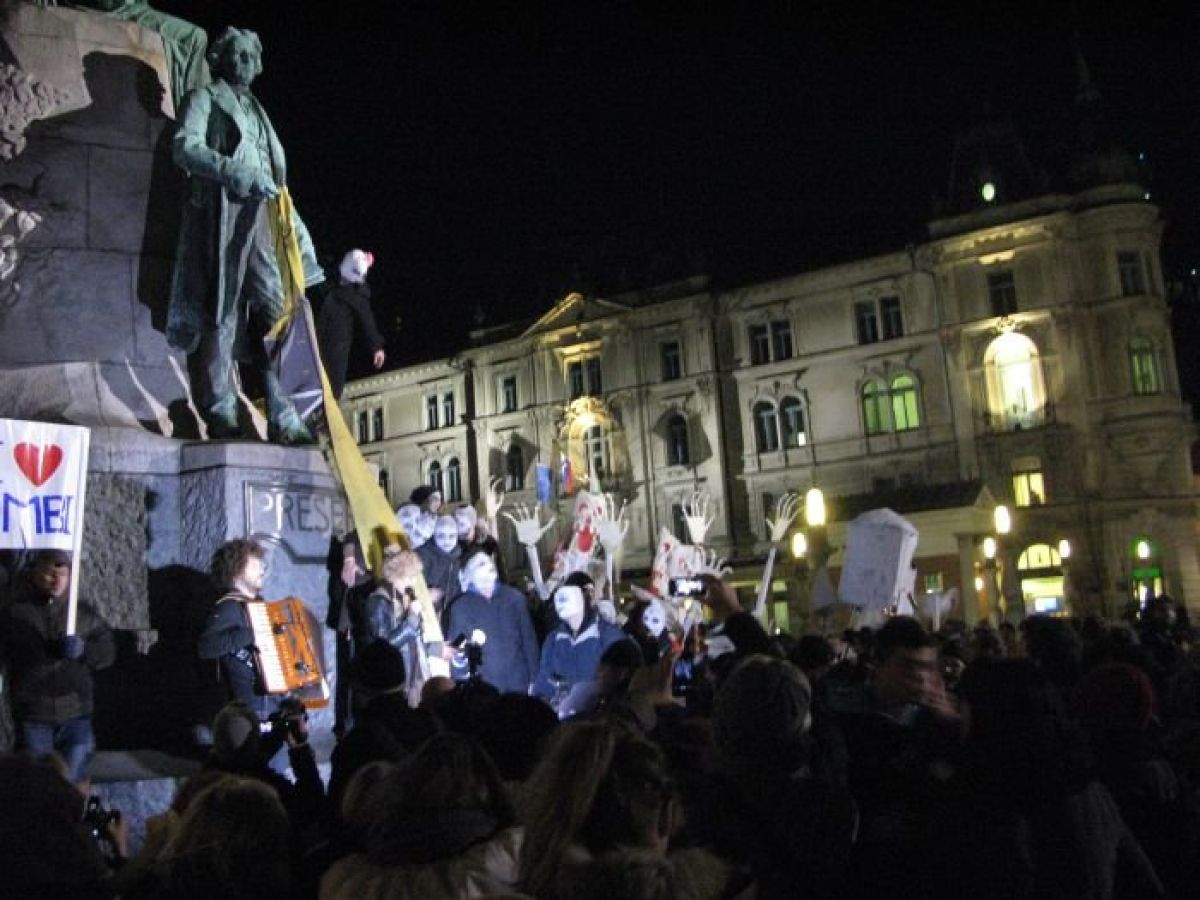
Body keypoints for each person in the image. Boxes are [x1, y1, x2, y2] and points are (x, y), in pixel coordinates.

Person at [166, 26, 324, 443]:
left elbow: (277, 175)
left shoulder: (259, 111)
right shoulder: (204, 98)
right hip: (223, 213)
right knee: (224, 310)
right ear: (220, 59)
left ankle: (285, 415)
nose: (245, 63)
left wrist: (298, 233)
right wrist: (233, 171)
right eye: (237, 55)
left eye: (251, 56)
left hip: (265, 218)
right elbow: (184, 146)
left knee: (280, 312)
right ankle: (220, 408)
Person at [0, 549, 115, 783]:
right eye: (49, 572)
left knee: (73, 787)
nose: (55, 579)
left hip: (76, 716)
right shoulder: (16, 615)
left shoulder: (84, 614)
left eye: (62, 573)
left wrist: (84, 651)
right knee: (37, 785)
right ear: (35, 572)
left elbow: (107, 653)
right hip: (35, 716)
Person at [349, 545, 444, 707]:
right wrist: (411, 618)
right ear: (398, 575)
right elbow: (384, 646)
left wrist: (436, 649)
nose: (414, 581)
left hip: (412, 674)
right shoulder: (378, 602)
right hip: (393, 681)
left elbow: (415, 638)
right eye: (411, 576)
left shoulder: (403, 597)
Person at [197, 539, 276, 720]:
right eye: (256, 566)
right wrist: (251, 635)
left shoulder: (258, 605)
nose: (262, 570)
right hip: (243, 709)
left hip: (266, 703)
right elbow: (206, 647)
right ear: (237, 571)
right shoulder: (229, 607)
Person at [532, 580, 632, 711]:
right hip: (564, 713)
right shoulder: (554, 639)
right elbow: (545, 678)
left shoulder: (608, 635)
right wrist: (541, 702)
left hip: (598, 713)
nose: (571, 618)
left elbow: (622, 677)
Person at [448, 552, 539, 695]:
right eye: (481, 564)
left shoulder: (514, 598)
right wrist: (462, 688)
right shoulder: (460, 607)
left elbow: (529, 641)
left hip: (519, 683)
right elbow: (457, 652)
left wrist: (534, 678)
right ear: (469, 574)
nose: (489, 565)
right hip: (484, 689)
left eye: (489, 561)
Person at [315, 249, 386, 398]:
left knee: (328, 379)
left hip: (327, 340)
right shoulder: (349, 292)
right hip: (331, 341)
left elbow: (367, 321)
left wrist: (376, 347)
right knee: (330, 380)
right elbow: (367, 320)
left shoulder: (344, 292)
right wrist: (377, 348)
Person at [415, 515, 463, 627]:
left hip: (447, 616)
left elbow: (455, 588)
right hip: (426, 616)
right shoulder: (423, 556)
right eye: (441, 536)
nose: (447, 541)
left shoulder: (456, 557)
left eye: (452, 536)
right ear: (434, 535)